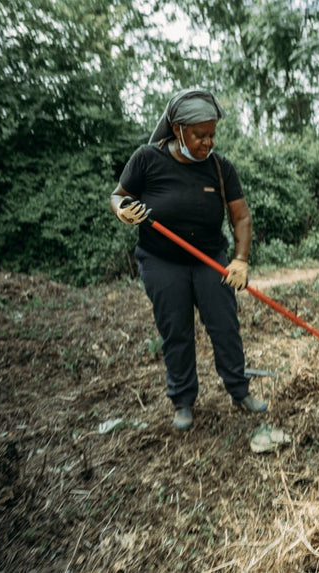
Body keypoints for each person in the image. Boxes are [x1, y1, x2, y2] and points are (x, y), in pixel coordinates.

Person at [110, 88, 267, 432]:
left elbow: (241, 217)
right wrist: (122, 210)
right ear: (178, 129)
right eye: (199, 135)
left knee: (225, 326)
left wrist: (240, 260)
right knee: (176, 330)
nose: (207, 142)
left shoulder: (220, 168)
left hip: (210, 258)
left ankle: (240, 392)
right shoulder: (147, 159)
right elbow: (119, 196)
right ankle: (183, 402)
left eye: (212, 134)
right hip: (161, 260)